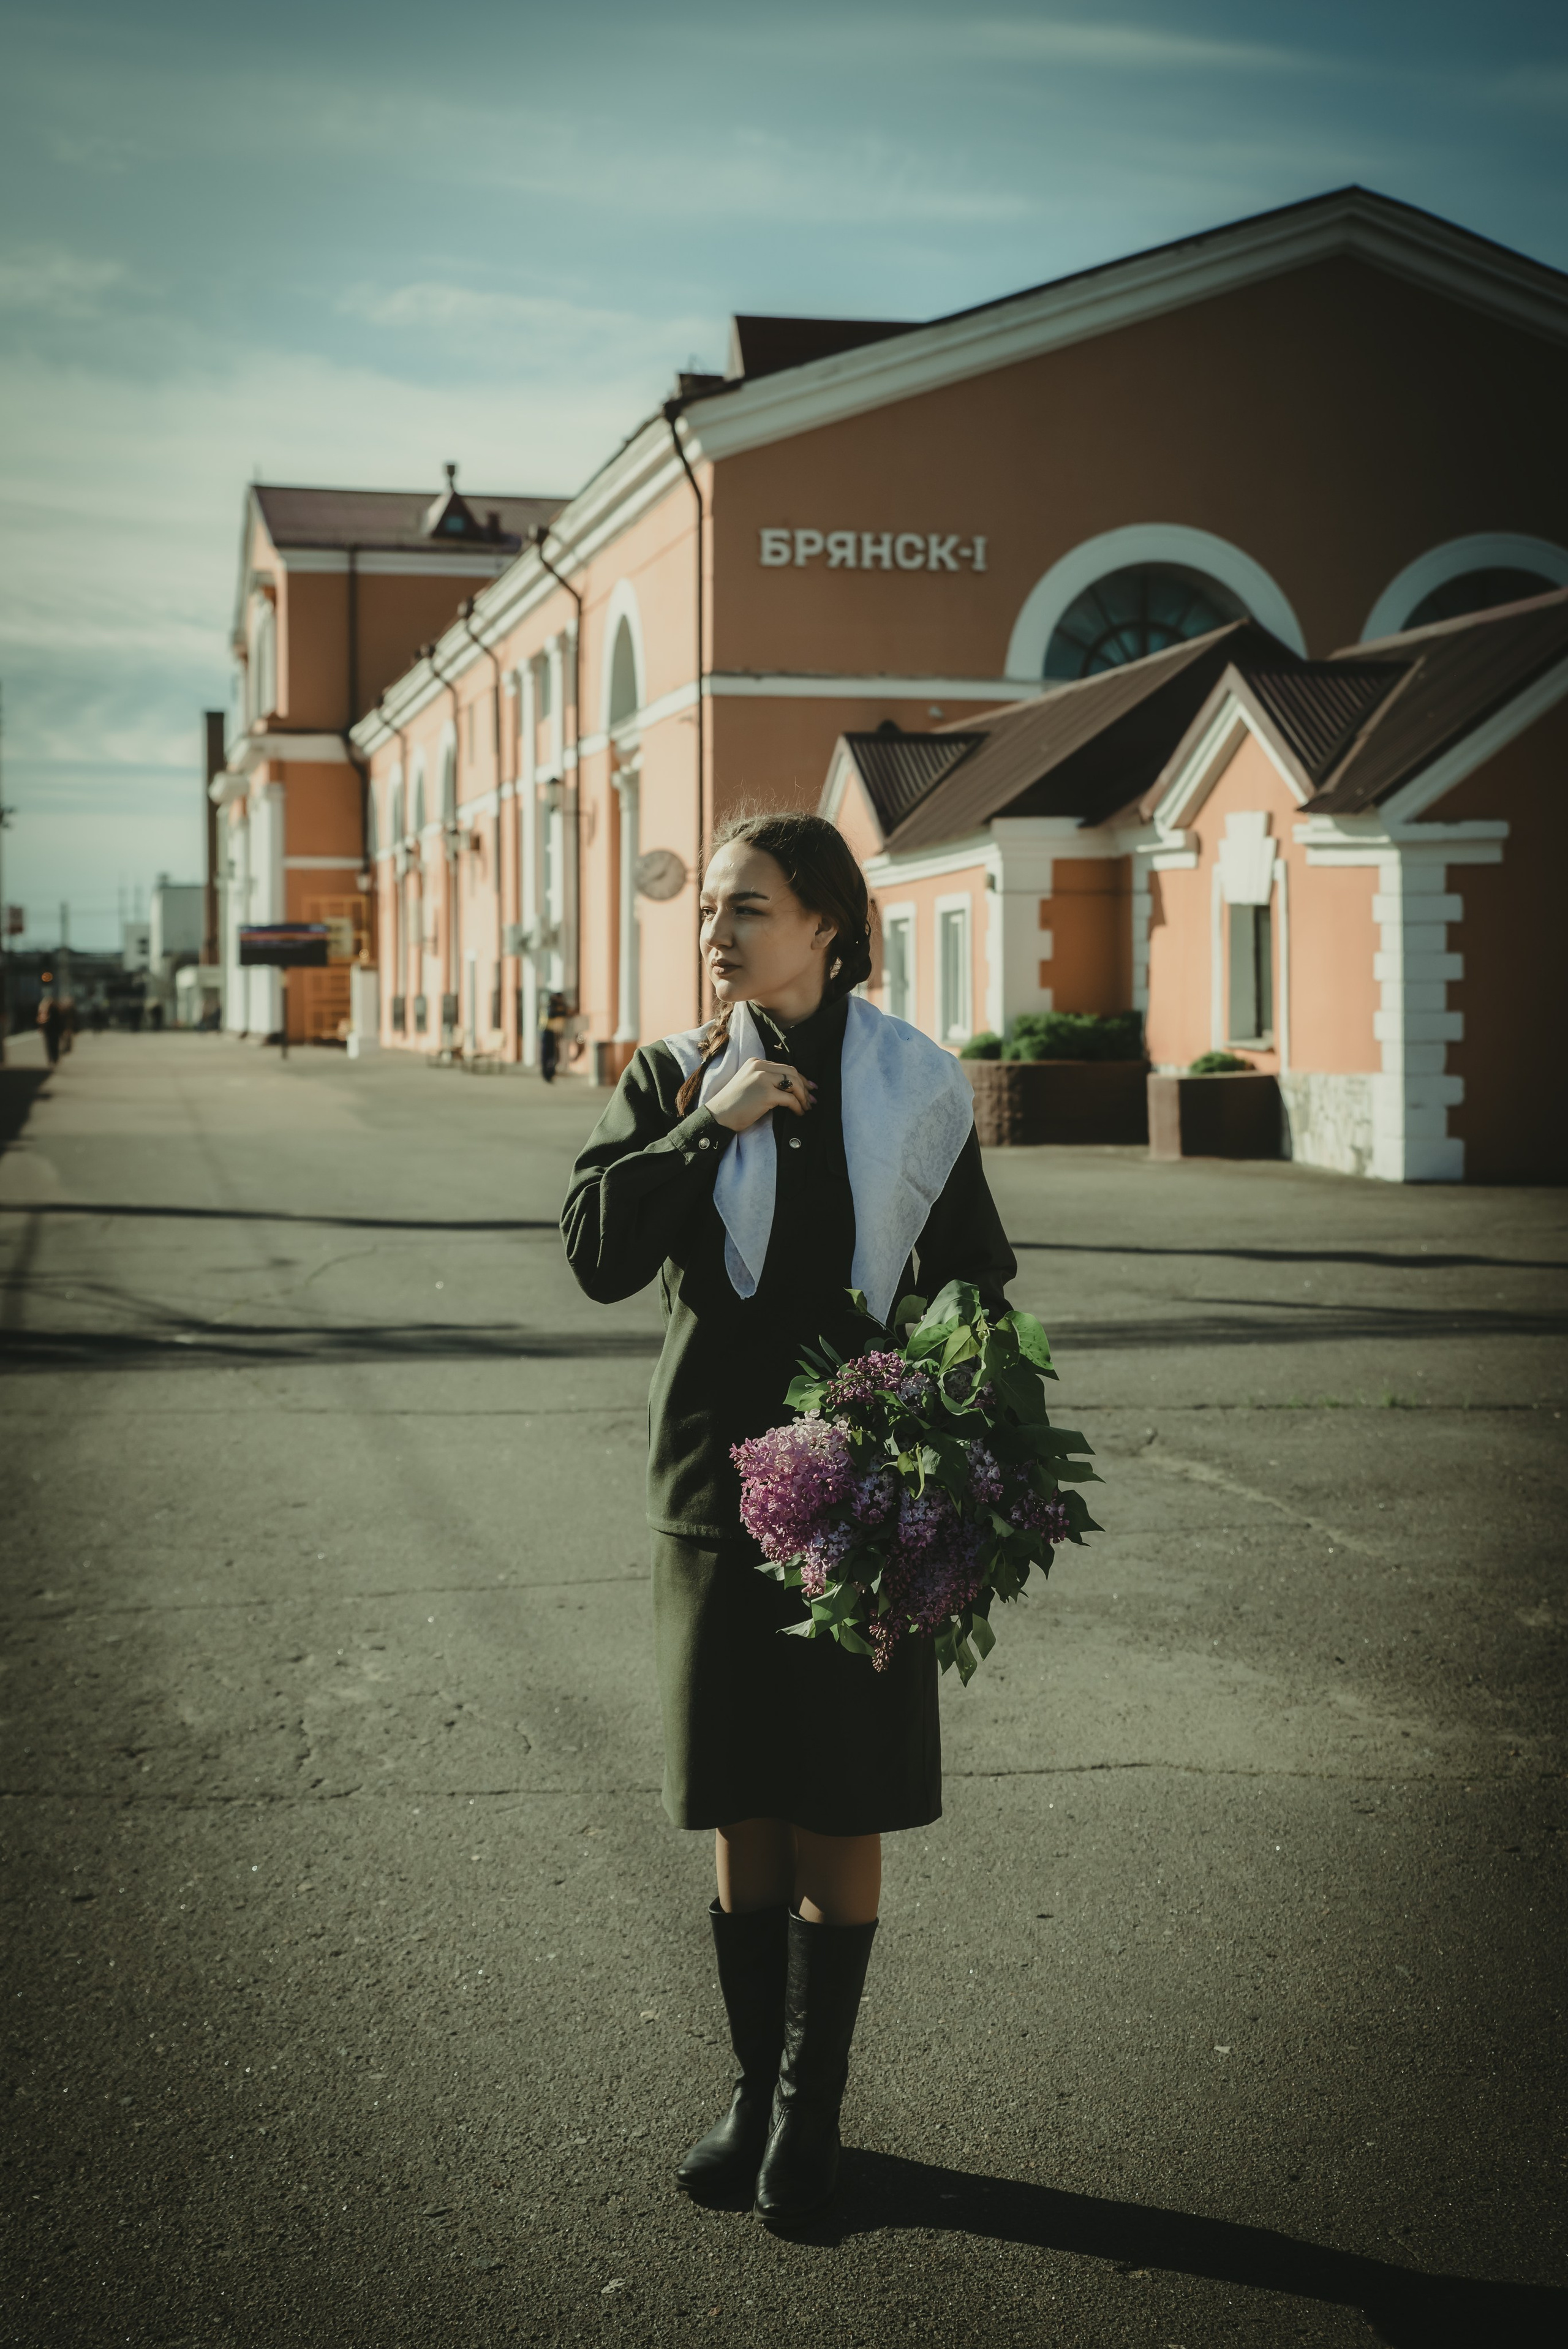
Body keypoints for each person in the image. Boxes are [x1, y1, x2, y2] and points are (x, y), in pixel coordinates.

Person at [562, 812, 1015, 2222]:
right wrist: (710, 1121)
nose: (716, 930)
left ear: (823, 920)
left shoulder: (913, 1083)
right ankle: (752, 2090)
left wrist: (948, 1406)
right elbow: (593, 1248)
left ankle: (813, 2113)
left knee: (841, 1795)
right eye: (709, 907)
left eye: (744, 905)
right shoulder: (669, 1072)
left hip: (861, 1500)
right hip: (709, 1485)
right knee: (741, 1790)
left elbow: (975, 1282)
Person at [539, 990, 568, 1083]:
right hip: (547, 1032)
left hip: (554, 1033)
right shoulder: (550, 1005)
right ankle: (547, 1074)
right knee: (548, 1054)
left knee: (554, 1055)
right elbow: (552, 1014)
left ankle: (551, 1073)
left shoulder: (558, 1006)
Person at [37, 997, 63, 1066]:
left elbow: (42, 1020)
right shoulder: (57, 1010)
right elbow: (61, 1021)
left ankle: (51, 1058)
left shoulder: (47, 1011)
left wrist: (42, 1028)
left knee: (50, 1045)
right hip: (55, 1030)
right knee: (55, 1044)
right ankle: (55, 1058)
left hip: (49, 1030)